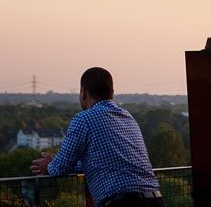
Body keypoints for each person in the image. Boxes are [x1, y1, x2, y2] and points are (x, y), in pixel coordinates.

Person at [29, 67, 163, 207]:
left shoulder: (84, 119)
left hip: (122, 202)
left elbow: (59, 168)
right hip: (154, 199)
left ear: (84, 92)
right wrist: (57, 160)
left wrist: (49, 166)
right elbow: (103, 162)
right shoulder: (127, 116)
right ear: (112, 92)